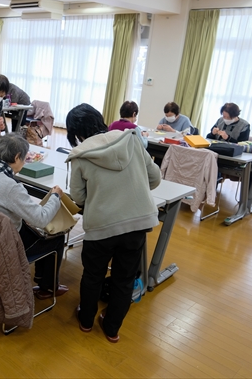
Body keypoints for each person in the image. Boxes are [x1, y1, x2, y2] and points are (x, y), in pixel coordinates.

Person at [65, 103, 161, 343]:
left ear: (75, 132)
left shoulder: (80, 155)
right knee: (124, 278)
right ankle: (112, 329)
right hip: (137, 222)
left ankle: (86, 321)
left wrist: (100, 196)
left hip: (102, 226)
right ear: (99, 119)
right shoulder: (131, 138)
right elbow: (155, 178)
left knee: (93, 275)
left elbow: (78, 198)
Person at [0, 133, 68, 300]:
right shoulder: (11, 187)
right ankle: (47, 287)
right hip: (5, 242)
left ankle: (41, 280)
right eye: (24, 159)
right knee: (57, 239)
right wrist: (55, 196)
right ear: (17, 157)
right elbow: (41, 218)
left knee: (35, 230)